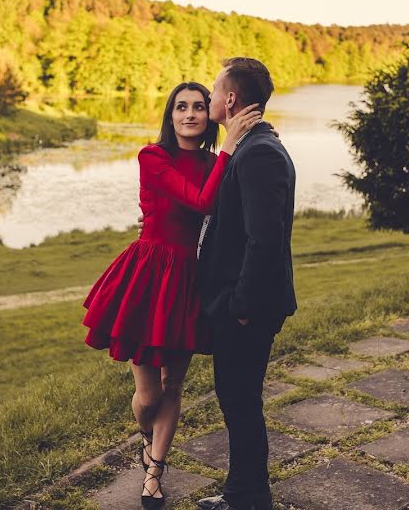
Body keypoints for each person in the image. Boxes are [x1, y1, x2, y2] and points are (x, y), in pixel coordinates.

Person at [81, 81, 262, 509]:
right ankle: (147, 441)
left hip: (188, 279)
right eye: (181, 107)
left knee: (173, 383)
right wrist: (230, 148)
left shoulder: (214, 162)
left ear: (207, 115)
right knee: (149, 396)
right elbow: (200, 201)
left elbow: (225, 213)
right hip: (150, 276)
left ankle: (154, 472)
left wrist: (226, 156)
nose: (191, 114)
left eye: (199, 106)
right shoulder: (153, 156)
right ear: (171, 114)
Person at [195, 57, 297, 510]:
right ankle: (245, 494)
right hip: (242, 303)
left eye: (215, 91)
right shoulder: (250, 146)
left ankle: (249, 500)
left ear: (231, 98)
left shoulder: (259, 153)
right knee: (238, 402)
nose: (210, 98)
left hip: (248, 308)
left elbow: (265, 240)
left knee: (240, 404)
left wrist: (239, 304)